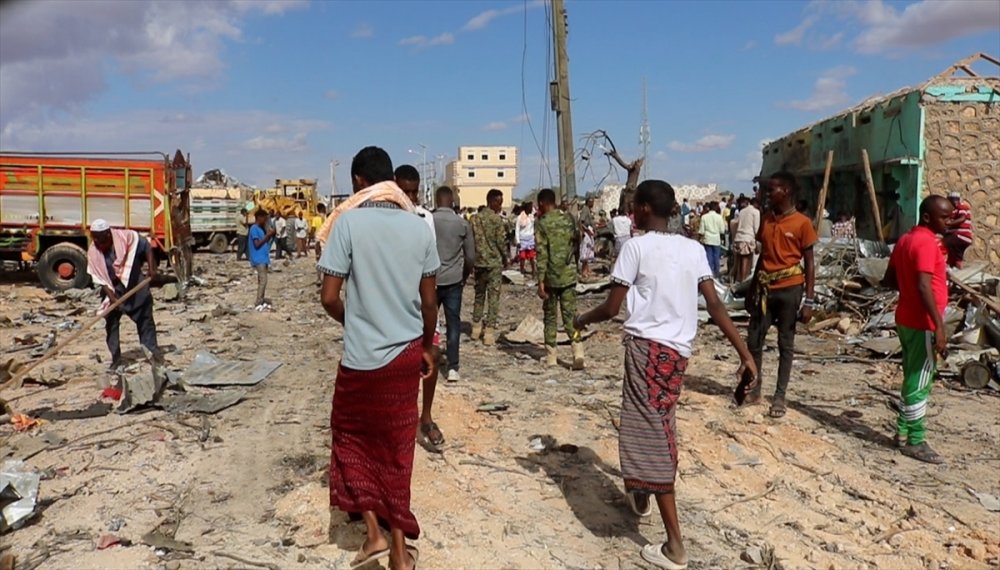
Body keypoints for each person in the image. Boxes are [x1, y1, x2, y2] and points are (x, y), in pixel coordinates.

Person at [573, 180, 757, 570]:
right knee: (654, 425)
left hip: (645, 351)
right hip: (676, 355)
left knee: (651, 434)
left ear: (640, 209)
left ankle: (675, 546)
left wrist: (581, 318)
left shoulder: (635, 248)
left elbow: (611, 307)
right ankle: (639, 494)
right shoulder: (691, 249)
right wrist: (745, 354)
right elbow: (716, 306)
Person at [319, 146, 438, 570]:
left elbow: (329, 297)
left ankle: (373, 536)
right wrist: (426, 344)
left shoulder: (347, 224)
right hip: (406, 357)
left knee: (351, 439)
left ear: (357, 182)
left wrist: (357, 322)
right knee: (397, 451)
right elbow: (429, 303)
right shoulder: (420, 228)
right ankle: (401, 552)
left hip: (361, 359)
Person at [882, 195, 953, 464]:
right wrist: (939, 326)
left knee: (912, 374)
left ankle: (902, 432)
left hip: (906, 317)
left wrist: (908, 290)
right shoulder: (926, 243)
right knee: (921, 379)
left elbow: (888, 279)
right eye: (944, 217)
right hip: (923, 321)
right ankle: (916, 440)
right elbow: (924, 285)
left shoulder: (905, 240)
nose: (948, 222)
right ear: (927, 217)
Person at [745, 172, 817, 418]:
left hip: (790, 288)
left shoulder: (802, 223)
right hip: (765, 289)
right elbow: (762, 258)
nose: (766, 194)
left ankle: (779, 396)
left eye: (772, 189)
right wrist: (751, 288)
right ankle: (754, 388)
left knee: (785, 344)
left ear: (786, 191)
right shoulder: (766, 220)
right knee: (754, 340)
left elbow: (809, 263)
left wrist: (809, 300)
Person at [86, 219, 160, 369]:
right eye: (96, 240)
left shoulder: (126, 238)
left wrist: (152, 268)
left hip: (135, 284)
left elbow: (146, 246)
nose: (99, 244)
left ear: (108, 235)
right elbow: (99, 278)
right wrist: (113, 299)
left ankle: (152, 354)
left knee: (145, 320)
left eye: (101, 240)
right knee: (111, 323)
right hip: (112, 289)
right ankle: (116, 358)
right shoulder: (94, 252)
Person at [535, 188, 584, 369]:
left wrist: (540, 282)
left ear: (541, 203)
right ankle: (578, 351)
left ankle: (551, 356)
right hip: (569, 274)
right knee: (571, 316)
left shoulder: (542, 223)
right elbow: (577, 242)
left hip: (550, 277)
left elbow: (541, 254)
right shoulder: (569, 219)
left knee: (550, 316)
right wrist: (574, 265)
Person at [433, 186, 475, 384]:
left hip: (429, 280)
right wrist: (464, 275)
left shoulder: (427, 221)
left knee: (427, 322)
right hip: (453, 280)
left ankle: (425, 359)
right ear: (451, 201)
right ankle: (453, 367)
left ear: (435, 200)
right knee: (453, 324)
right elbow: (471, 257)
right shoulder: (462, 224)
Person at [471, 189, 507, 346]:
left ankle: (476, 327)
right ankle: (489, 332)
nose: (500, 206)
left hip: (479, 262)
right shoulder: (497, 220)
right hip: (494, 264)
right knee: (493, 297)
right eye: (499, 202)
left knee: (479, 295)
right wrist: (506, 258)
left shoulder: (474, 219)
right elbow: (501, 242)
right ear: (492, 201)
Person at [395, 165, 436, 236]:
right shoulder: (387, 215)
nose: (410, 197)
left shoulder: (426, 217)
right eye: (405, 192)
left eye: (414, 192)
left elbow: (431, 246)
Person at [248, 209, 275, 310]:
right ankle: (259, 301)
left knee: (261, 280)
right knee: (263, 280)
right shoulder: (254, 229)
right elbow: (257, 244)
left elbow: (265, 241)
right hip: (258, 258)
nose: (265, 220)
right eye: (264, 218)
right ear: (259, 217)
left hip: (263, 257)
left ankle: (261, 299)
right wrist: (267, 235)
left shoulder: (260, 228)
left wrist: (269, 234)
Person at [733, 196, 760, 283]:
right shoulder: (756, 212)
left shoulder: (742, 211)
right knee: (746, 261)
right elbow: (756, 228)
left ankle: (739, 279)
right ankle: (743, 281)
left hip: (738, 237)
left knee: (740, 261)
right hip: (748, 238)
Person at [943, 191, 973, 268]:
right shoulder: (953, 211)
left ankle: (956, 265)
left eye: (956, 200)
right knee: (953, 257)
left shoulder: (962, 206)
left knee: (944, 243)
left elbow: (962, 218)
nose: (955, 202)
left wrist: (949, 223)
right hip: (957, 235)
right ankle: (953, 266)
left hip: (962, 236)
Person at [698, 201, 726, 278]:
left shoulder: (704, 217)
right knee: (716, 257)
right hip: (716, 239)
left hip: (707, 239)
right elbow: (722, 230)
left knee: (709, 257)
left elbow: (701, 231)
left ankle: (710, 274)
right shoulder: (719, 217)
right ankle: (717, 274)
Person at [515, 202, 537, 278]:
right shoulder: (520, 217)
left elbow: (535, 211)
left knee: (532, 257)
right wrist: (518, 241)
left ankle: (534, 271)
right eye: (530, 207)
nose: (531, 209)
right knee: (522, 257)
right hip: (522, 239)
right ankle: (522, 270)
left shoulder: (531, 217)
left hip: (530, 239)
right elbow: (517, 230)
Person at [578, 196, 597, 279]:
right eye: (591, 201)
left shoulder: (589, 210)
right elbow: (581, 222)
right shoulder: (585, 210)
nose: (592, 203)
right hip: (586, 234)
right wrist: (585, 231)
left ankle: (587, 269)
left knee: (589, 252)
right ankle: (583, 271)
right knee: (585, 254)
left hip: (590, 233)